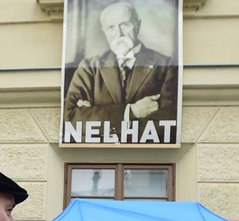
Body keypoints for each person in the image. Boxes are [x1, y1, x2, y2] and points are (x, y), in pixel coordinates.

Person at [62, 1, 178, 145]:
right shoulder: (89, 67)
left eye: (125, 24)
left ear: (138, 25)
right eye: (111, 27)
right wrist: (131, 112)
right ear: (104, 30)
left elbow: (168, 122)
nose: (119, 33)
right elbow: (70, 118)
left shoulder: (166, 65)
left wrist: (96, 122)